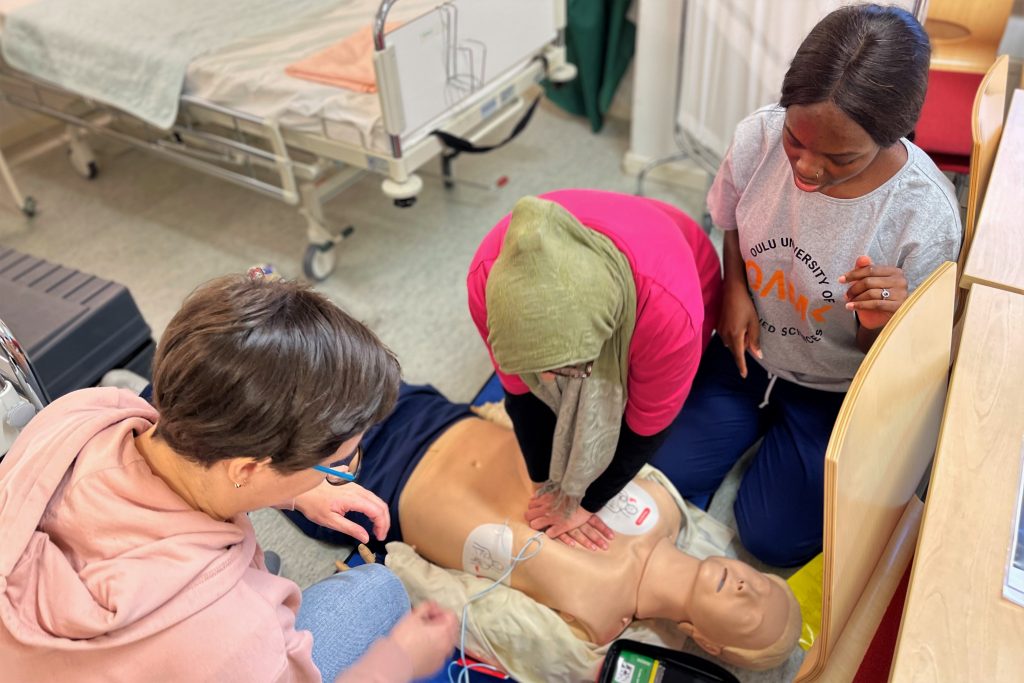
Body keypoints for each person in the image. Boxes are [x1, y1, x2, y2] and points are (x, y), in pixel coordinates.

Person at [0, 273, 458, 682]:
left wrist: (295, 490)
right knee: (378, 590)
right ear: (246, 469)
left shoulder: (84, 411)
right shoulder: (232, 637)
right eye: (334, 464)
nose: (338, 472)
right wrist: (400, 660)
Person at [649, 4, 962, 567]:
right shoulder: (760, 136)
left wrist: (881, 322)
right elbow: (733, 217)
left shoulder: (923, 216)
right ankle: (754, 420)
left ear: (893, 135)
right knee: (665, 468)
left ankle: (781, 436)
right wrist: (737, 291)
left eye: (839, 157)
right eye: (798, 139)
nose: (808, 168)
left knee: (771, 536)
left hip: (835, 389)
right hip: (748, 354)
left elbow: (899, 372)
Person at [283, 383, 802, 672]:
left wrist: (391, 561)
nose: (748, 586)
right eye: (762, 584)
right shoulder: (665, 504)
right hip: (432, 416)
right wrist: (490, 412)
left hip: (372, 489)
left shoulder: (593, 628)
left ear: (704, 643)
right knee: (289, 350)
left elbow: (472, 606)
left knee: (234, 430)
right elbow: (570, 444)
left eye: (750, 613)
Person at [466, 189, 722, 551]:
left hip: (679, 258)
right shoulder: (487, 283)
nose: (550, 381)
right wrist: (542, 483)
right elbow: (520, 396)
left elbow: (649, 423)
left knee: (651, 426)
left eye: (566, 365)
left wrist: (585, 505)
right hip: (609, 235)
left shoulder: (670, 315)